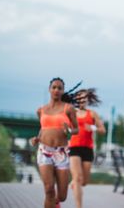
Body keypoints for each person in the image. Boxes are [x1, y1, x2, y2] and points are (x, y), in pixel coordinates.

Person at [30, 77, 79, 208]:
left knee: (62, 196)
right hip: (44, 151)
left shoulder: (68, 109)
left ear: (63, 91)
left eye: (59, 88)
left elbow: (76, 129)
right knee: (49, 190)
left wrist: (68, 130)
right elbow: (43, 128)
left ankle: (55, 204)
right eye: (54, 87)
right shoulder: (41, 110)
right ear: (49, 89)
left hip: (61, 153)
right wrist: (36, 138)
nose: (56, 90)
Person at [69, 88, 106, 208]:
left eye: (84, 98)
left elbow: (102, 130)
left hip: (87, 149)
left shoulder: (92, 114)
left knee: (83, 182)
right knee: (78, 178)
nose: (82, 100)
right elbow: (65, 128)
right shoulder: (72, 112)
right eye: (79, 98)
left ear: (87, 100)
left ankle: (74, 182)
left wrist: (92, 128)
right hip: (74, 148)